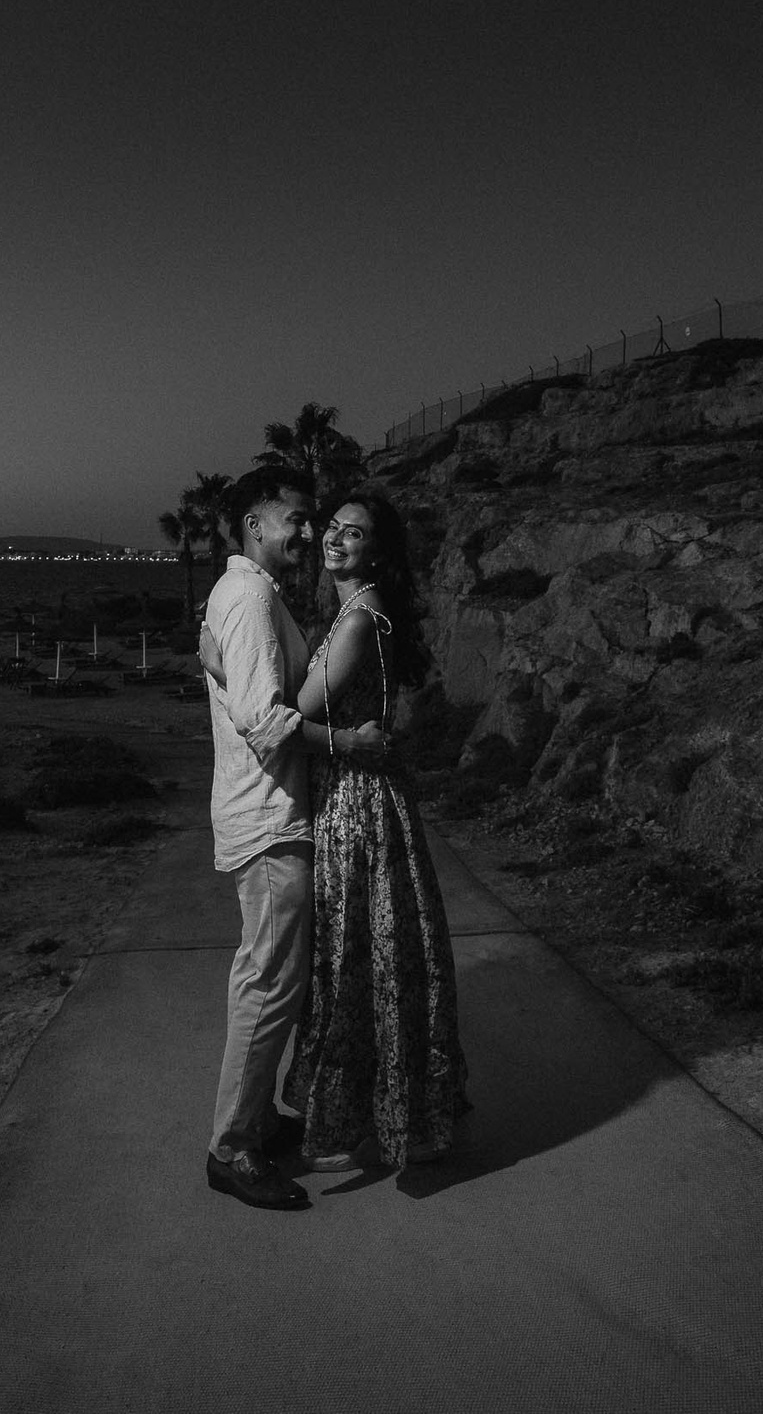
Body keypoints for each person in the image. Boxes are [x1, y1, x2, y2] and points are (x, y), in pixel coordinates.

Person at [201, 465, 386, 1211]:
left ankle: (246, 1121)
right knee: (267, 985)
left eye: (316, 522)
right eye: (296, 519)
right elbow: (263, 721)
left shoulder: (245, 594)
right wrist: (353, 745)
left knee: (270, 981)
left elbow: (243, 686)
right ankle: (232, 1149)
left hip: (268, 813)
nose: (309, 533)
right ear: (254, 521)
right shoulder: (247, 596)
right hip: (269, 817)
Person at [285, 490, 471, 1171]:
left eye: (353, 533)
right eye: (333, 527)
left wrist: (220, 658)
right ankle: (385, 1112)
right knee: (372, 955)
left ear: (376, 551)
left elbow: (295, 714)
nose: (335, 538)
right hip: (362, 793)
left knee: (356, 955)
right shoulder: (349, 614)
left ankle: (373, 1117)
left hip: (357, 804)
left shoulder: (359, 619)